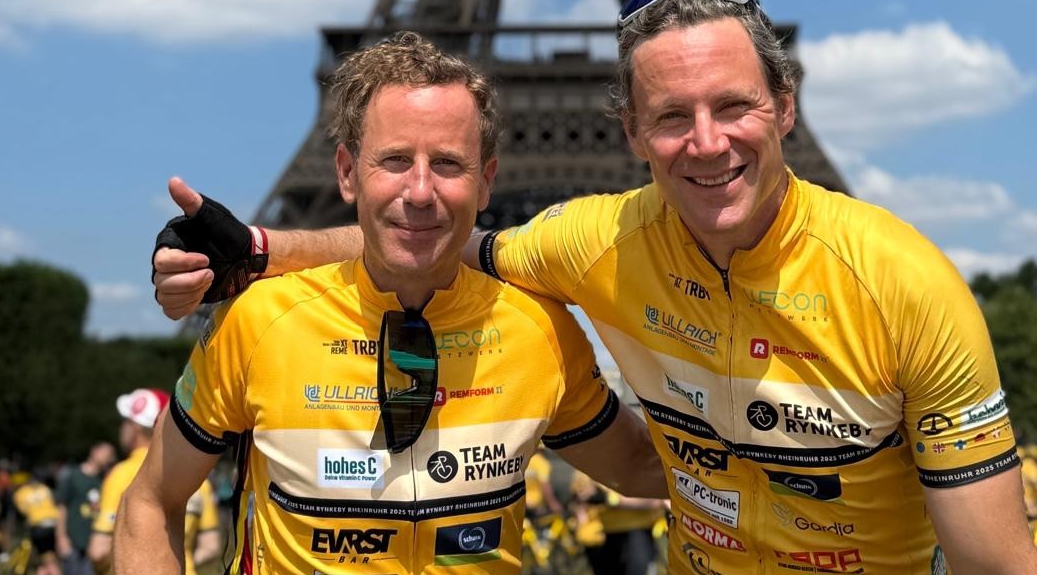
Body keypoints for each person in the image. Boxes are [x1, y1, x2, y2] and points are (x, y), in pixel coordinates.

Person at [151, 0, 1037, 573]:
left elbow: (997, 562)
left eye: (733, 106)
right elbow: (429, 238)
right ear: (631, 133)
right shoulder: (593, 240)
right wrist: (261, 253)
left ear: (784, 107)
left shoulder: (905, 286)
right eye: (672, 116)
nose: (706, 142)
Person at [120, 34, 664, 574]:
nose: (420, 190)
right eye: (396, 160)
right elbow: (149, 502)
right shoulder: (258, 321)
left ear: (486, 182)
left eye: (448, 163)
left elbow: (643, 467)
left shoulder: (540, 331)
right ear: (347, 173)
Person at [88, 389, 221, 575]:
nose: (122, 428)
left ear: (135, 427)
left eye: (125, 421)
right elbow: (211, 545)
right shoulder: (198, 479)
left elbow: (98, 551)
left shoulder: (120, 475)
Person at [54, 441, 115, 575]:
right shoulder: (73, 475)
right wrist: (61, 537)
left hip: (93, 543)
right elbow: (62, 507)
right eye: (106, 453)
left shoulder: (106, 480)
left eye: (111, 455)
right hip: (72, 542)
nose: (108, 458)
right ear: (94, 451)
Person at [11, 470, 62, 575]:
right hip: (54, 524)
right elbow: (55, 503)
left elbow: (23, 512)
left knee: (48, 560)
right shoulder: (45, 488)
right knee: (47, 560)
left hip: (38, 527)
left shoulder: (20, 493)